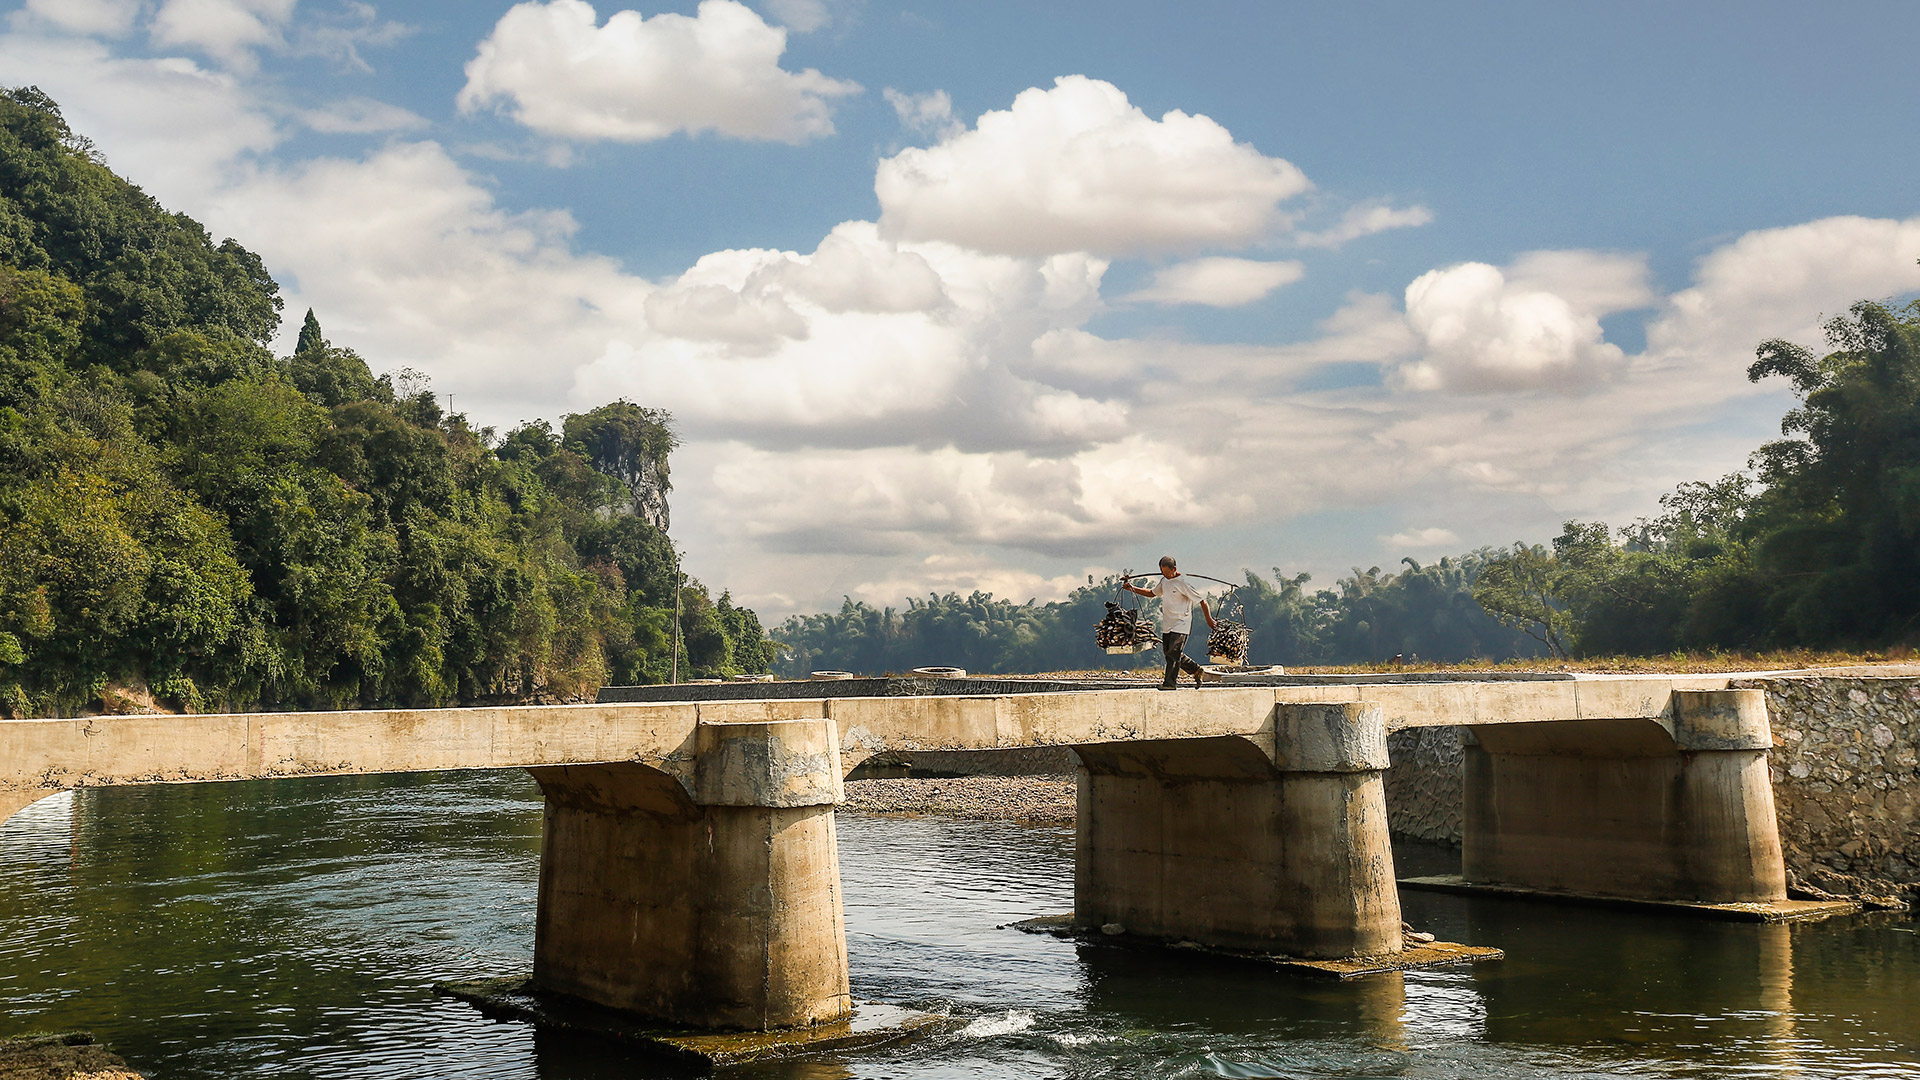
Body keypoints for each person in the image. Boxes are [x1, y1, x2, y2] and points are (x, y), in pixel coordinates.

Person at [1123, 556, 1217, 690]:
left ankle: (1170, 683)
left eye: (1167, 573)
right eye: (1162, 572)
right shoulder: (1164, 581)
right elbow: (1152, 593)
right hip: (1168, 624)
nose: (1165, 575)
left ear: (1174, 569)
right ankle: (1196, 670)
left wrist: (1209, 619)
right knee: (1170, 653)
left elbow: (1202, 600)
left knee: (1173, 653)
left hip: (1181, 623)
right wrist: (1132, 588)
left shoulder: (1183, 583)